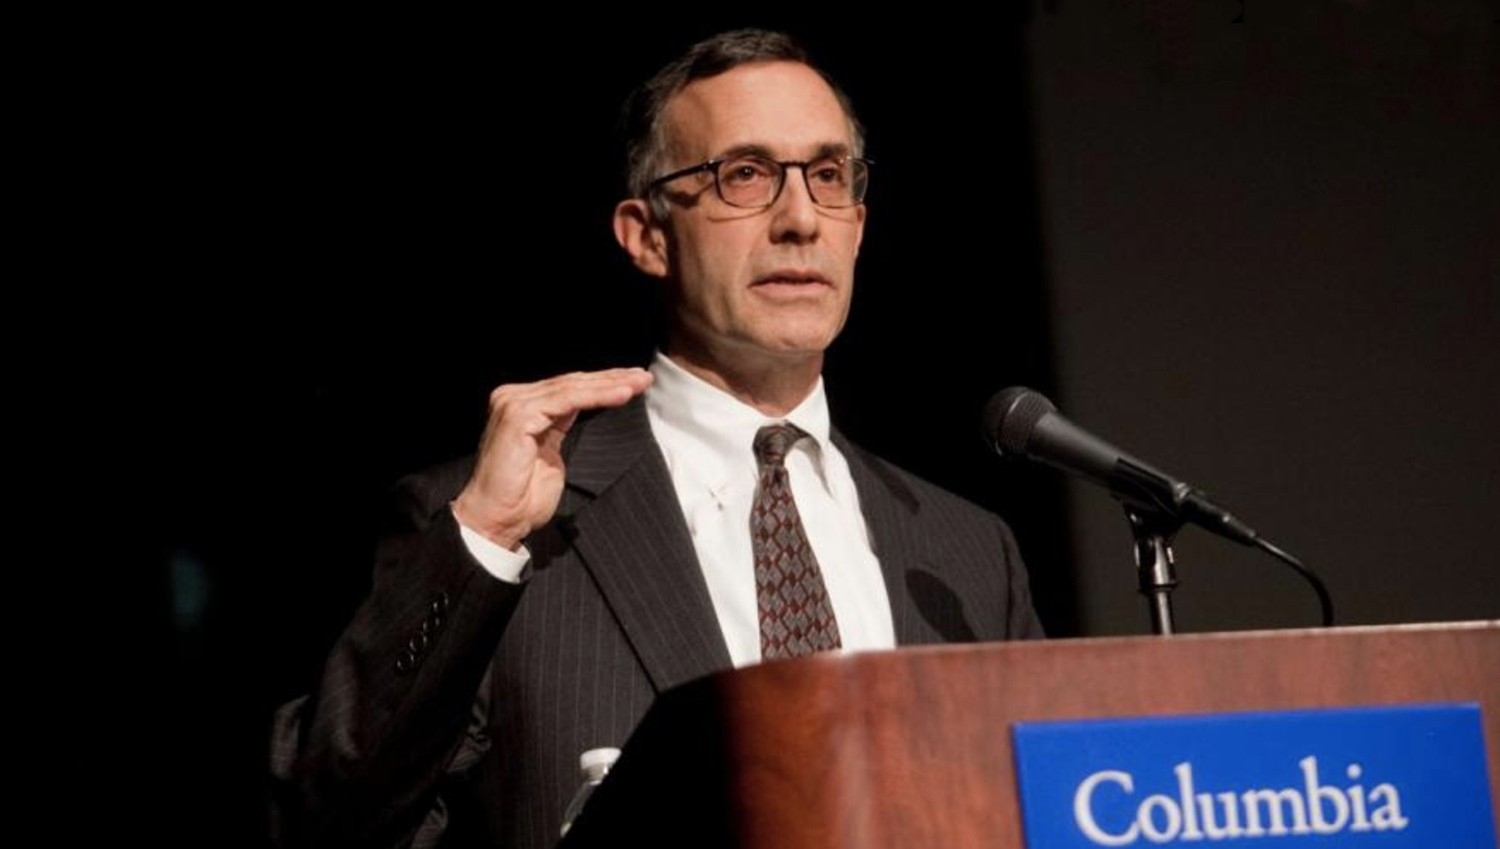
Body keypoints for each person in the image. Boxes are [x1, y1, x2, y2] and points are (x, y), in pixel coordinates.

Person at [270, 28, 1044, 849]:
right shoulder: (506, 524)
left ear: (859, 221)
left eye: (827, 175)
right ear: (646, 235)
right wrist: (484, 543)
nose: (798, 219)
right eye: (744, 175)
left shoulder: (966, 553)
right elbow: (334, 823)